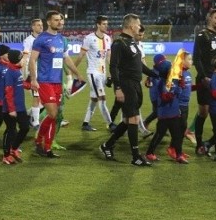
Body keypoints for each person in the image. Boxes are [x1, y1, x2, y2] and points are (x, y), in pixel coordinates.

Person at [99, 14, 156, 166]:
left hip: (136, 85)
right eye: (138, 24)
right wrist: (118, 88)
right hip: (126, 85)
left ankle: (107, 145)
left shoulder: (133, 42)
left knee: (127, 120)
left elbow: (140, 66)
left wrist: (156, 74)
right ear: (131, 26)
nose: (140, 27)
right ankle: (136, 156)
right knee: (133, 119)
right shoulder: (119, 43)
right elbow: (113, 66)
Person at [29, 10, 83, 158]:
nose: (60, 22)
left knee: (56, 115)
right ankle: (38, 140)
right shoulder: (41, 39)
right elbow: (32, 60)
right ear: (49, 22)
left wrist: (77, 73)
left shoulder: (61, 39)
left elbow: (66, 59)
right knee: (52, 113)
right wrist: (34, 79)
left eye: (61, 20)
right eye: (56, 20)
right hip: (45, 81)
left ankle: (47, 148)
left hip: (57, 82)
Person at [191, 9, 216, 155]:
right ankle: (199, 144)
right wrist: (204, 76)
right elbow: (196, 58)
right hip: (205, 79)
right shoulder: (202, 35)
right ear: (209, 18)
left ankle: (213, 142)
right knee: (204, 113)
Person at [145, 57, 188, 164]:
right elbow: (165, 97)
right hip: (165, 115)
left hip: (174, 112)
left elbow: (178, 92)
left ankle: (179, 155)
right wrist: (177, 90)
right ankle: (149, 153)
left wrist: (181, 85)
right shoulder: (162, 84)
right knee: (159, 134)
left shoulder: (173, 81)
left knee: (177, 135)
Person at [75, 15, 113, 132]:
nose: (106, 26)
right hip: (93, 73)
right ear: (98, 25)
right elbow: (81, 55)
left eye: (107, 24)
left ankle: (85, 123)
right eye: (104, 24)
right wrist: (73, 70)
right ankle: (110, 124)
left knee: (94, 99)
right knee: (102, 98)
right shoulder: (89, 38)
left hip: (102, 73)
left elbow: (108, 57)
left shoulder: (108, 38)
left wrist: (111, 73)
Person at [0, 49, 30, 165]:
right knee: (11, 131)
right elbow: (8, 92)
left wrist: (29, 85)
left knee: (25, 127)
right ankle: (6, 155)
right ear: (17, 60)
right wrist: (11, 109)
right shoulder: (9, 73)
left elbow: (20, 84)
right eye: (22, 58)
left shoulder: (17, 71)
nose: (23, 60)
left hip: (20, 106)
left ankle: (14, 148)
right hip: (10, 108)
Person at [21, 18, 43, 128]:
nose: (41, 27)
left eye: (41, 25)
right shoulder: (28, 40)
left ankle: (28, 116)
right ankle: (35, 122)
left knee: (43, 99)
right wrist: (25, 73)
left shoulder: (44, 39)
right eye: (38, 25)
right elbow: (25, 57)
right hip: (33, 72)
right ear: (33, 27)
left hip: (43, 72)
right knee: (37, 97)